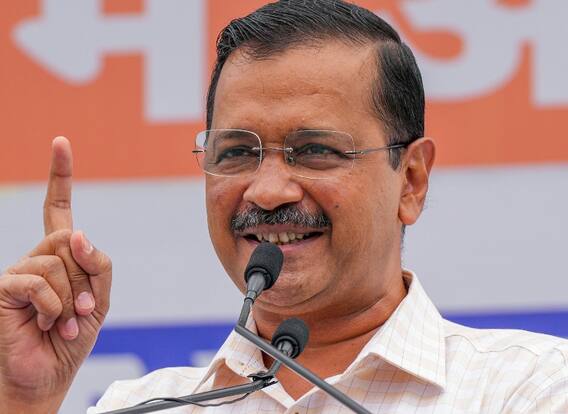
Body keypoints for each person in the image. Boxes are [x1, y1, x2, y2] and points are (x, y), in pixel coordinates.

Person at [1, 1, 567, 413]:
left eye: (315, 150)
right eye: (237, 152)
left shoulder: (530, 390)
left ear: (411, 181)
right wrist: (23, 400)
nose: (268, 191)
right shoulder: (142, 406)